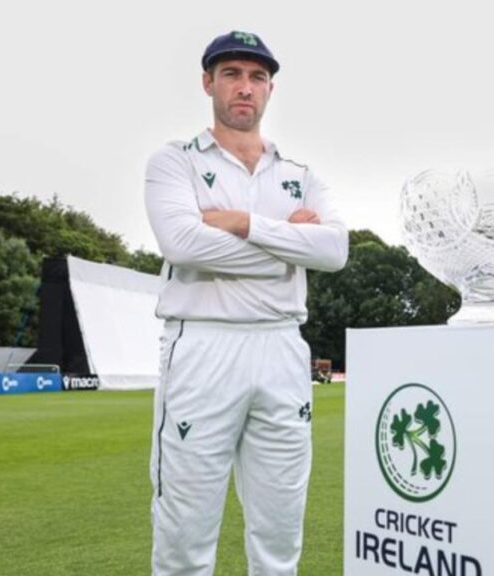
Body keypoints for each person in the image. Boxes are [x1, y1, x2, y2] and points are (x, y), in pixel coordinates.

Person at [144, 30, 348, 575]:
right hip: (203, 342)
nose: (245, 87)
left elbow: (335, 249)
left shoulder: (299, 175)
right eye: (231, 73)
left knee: (280, 533)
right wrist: (289, 246)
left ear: (270, 89)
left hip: (281, 345)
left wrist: (243, 224)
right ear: (208, 81)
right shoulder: (174, 162)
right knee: (185, 533)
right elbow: (181, 243)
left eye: (257, 77)